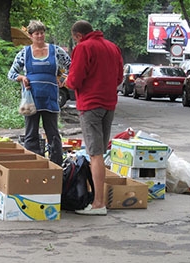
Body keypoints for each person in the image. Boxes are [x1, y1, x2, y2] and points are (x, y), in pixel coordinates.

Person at [66, 20, 123, 215]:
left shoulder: (83, 47)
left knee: (95, 154)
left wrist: (65, 82)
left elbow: (74, 80)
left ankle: (98, 203)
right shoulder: (112, 47)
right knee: (100, 152)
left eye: (74, 39)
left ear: (78, 35)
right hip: (109, 104)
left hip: (90, 105)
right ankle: (99, 198)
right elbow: (119, 78)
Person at [8, 20, 71, 166]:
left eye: (42, 33)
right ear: (31, 36)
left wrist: (63, 78)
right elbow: (11, 73)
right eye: (37, 34)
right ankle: (33, 164)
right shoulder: (25, 53)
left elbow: (71, 65)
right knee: (31, 133)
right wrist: (22, 77)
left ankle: (56, 165)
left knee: (53, 133)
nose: (40, 36)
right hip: (31, 99)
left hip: (50, 98)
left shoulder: (56, 51)